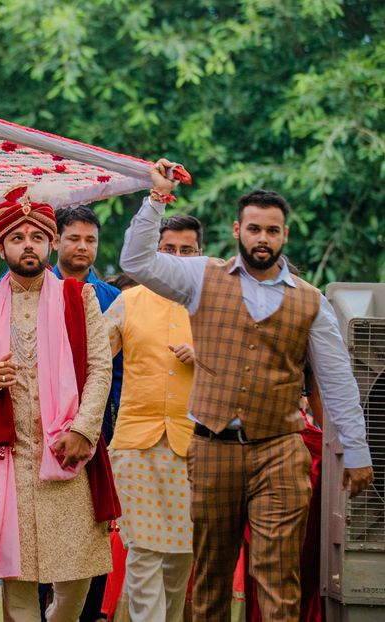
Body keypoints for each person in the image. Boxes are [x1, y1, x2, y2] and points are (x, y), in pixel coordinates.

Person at [119, 161, 374, 620]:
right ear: (238, 229)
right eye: (254, 228)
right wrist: (155, 199)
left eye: (272, 231)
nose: (262, 239)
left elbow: (337, 381)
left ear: (285, 236)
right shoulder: (201, 276)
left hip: (279, 449)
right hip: (213, 447)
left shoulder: (310, 299)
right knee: (212, 576)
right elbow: (136, 261)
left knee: (278, 575)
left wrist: (356, 453)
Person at [0, 185, 116, 622]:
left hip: (68, 454)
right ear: (1, 247)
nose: (27, 246)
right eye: (17, 238)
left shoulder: (79, 297)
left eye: (36, 237)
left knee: (76, 581)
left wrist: (83, 431)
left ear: (50, 243)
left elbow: (100, 369)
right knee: (17, 582)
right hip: (10, 459)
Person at [103, 214, 203, 622]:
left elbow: (244, 365)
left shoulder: (212, 302)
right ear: (155, 251)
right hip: (136, 442)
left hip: (196, 444)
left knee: (181, 558)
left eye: (186, 251)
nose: (177, 258)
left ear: (200, 254)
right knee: (142, 553)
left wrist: (206, 360)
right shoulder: (130, 300)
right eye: (168, 250)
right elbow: (94, 360)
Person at [49, 205, 123, 622]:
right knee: (42, 529)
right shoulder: (26, 288)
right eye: (73, 238)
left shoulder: (111, 298)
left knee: (93, 529)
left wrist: (101, 423)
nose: (82, 247)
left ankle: (90, 613)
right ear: (55, 240)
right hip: (39, 430)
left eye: (90, 239)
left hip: (100, 430)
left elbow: (117, 372)